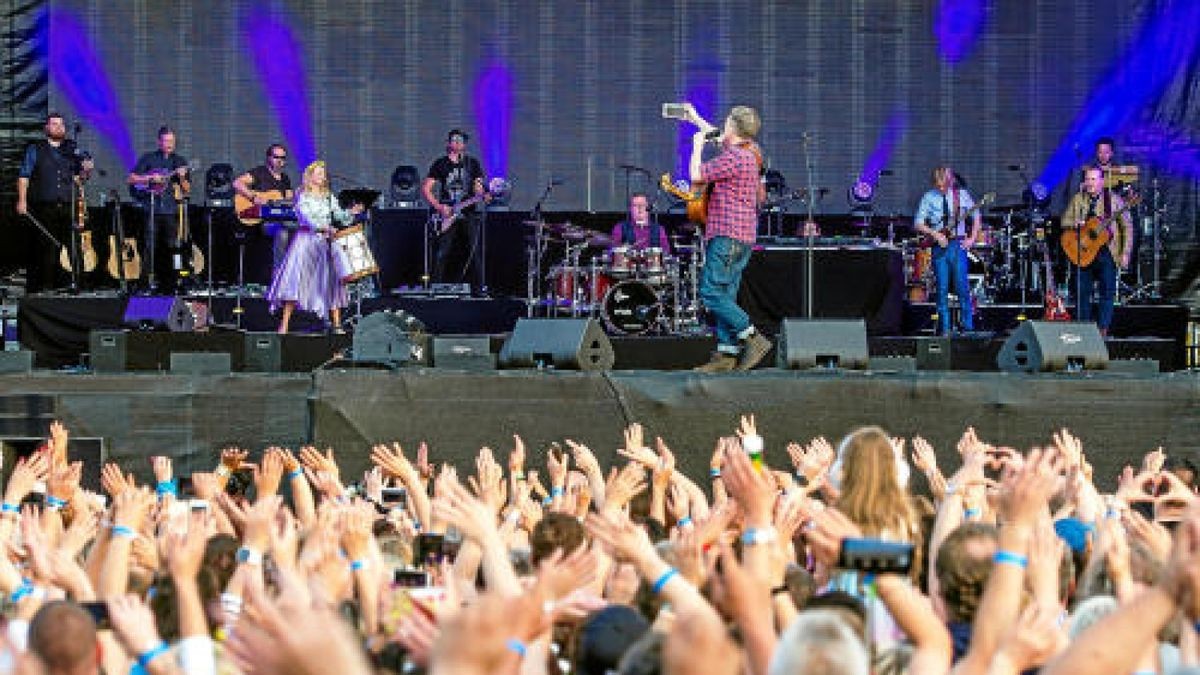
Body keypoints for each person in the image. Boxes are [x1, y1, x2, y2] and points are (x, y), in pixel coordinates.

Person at [684, 104, 771, 372]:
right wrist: (695, 117)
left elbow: (696, 176)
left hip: (727, 235)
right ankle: (727, 354)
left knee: (710, 293)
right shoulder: (750, 152)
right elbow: (717, 135)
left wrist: (696, 145)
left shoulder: (735, 157)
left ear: (733, 126)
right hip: (742, 236)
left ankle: (753, 337)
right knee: (726, 295)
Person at [266, 160, 362, 334]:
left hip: (324, 243)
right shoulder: (302, 194)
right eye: (318, 173)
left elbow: (340, 216)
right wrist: (322, 227)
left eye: (323, 173)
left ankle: (337, 324)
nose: (322, 176)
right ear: (310, 176)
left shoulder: (328, 196)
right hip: (306, 242)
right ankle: (285, 324)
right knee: (296, 281)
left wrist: (351, 213)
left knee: (331, 281)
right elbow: (305, 217)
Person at [15, 111, 93, 293]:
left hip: (68, 206)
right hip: (44, 207)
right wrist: (22, 200)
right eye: (55, 124)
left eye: (62, 125)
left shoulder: (71, 149)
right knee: (44, 249)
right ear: (46, 128)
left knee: (73, 246)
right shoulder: (36, 149)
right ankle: (41, 289)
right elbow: (24, 176)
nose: (59, 127)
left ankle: (78, 286)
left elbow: (79, 179)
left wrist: (86, 171)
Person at [1060, 166, 1133, 335]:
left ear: (1102, 181)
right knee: (1081, 292)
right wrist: (1074, 222)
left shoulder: (1113, 200)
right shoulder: (1078, 199)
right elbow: (1064, 221)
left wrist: (1125, 253)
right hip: (1083, 251)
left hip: (1107, 251)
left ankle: (1102, 331)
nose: (1090, 183)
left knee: (1107, 292)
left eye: (1094, 179)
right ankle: (1083, 331)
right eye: (1088, 179)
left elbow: (1127, 228)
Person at [913, 166, 982, 335]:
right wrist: (935, 234)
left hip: (957, 245)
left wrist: (972, 238)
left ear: (951, 181)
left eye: (944, 185)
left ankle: (968, 327)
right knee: (942, 289)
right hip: (939, 246)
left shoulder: (961, 195)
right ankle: (945, 330)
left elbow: (977, 216)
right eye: (938, 185)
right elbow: (918, 223)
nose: (941, 188)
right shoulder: (929, 197)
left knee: (962, 287)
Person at [422, 128, 488, 293]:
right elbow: (426, 189)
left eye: (461, 141)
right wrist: (439, 207)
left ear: (464, 145)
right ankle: (434, 288)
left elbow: (478, 188)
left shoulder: (472, 164)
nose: (457, 143)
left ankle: (479, 289)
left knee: (474, 251)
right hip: (448, 213)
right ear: (448, 143)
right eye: (454, 140)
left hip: (468, 212)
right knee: (442, 251)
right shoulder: (440, 164)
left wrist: (483, 195)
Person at [128, 126, 191, 292]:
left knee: (173, 247)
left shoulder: (179, 161)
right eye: (166, 141)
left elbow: (186, 189)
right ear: (159, 142)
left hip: (171, 211)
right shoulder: (149, 158)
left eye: (172, 141)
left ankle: (173, 280)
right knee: (149, 247)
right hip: (151, 209)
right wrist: (149, 177)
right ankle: (145, 282)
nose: (170, 144)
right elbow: (132, 179)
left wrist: (183, 176)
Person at [233, 143, 294, 269]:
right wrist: (253, 197)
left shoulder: (285, 178)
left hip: (279, 219)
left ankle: (292, 272)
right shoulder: (260, 172)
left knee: (298, 230)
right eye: (276, 157)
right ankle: (279, 274)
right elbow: (237, 183)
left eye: (282, 158)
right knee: (281, 233)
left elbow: (289, 200)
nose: (279, 160)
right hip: (262, 221)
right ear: (268, 158)